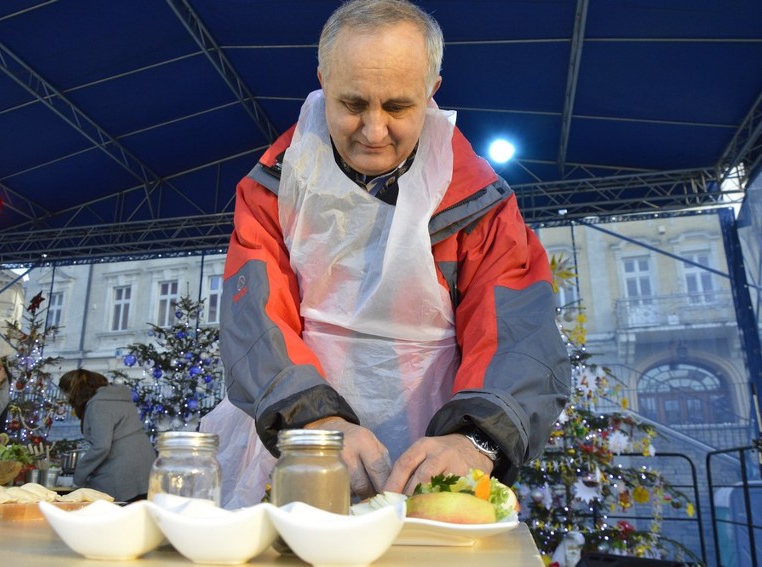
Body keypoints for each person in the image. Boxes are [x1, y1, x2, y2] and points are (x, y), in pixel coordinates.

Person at [202, 0, 571, 507]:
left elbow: (518, 331)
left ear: (431, 91)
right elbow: (256, 318)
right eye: (352, 104)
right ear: (322, 82)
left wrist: (478, 436)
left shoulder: (483, 202)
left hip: (436, 443)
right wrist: (315, 422)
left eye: (398, 107)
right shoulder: (269, 188)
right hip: (298, 436)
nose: (374, 132)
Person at [58, 369, 155, 502]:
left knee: (98, 508)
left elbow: (101, 446)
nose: (66, 397)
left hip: (121, 472)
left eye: (66, 392)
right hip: (144, 468)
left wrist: (79, 477)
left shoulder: (98, 405)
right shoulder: (118, 398)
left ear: (75, 391)